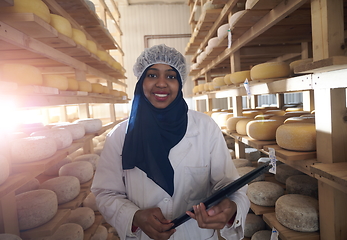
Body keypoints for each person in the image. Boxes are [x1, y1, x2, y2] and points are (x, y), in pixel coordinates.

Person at [91, 44, 250, 240]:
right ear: (141, 81)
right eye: (152, 75)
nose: (161, 83)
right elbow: (106, 193)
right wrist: (134, 216)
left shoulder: (205, 127)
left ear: (180, 83)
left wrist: (231, 208)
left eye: (171, 76)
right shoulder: (120, 135)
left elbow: (230, 186)